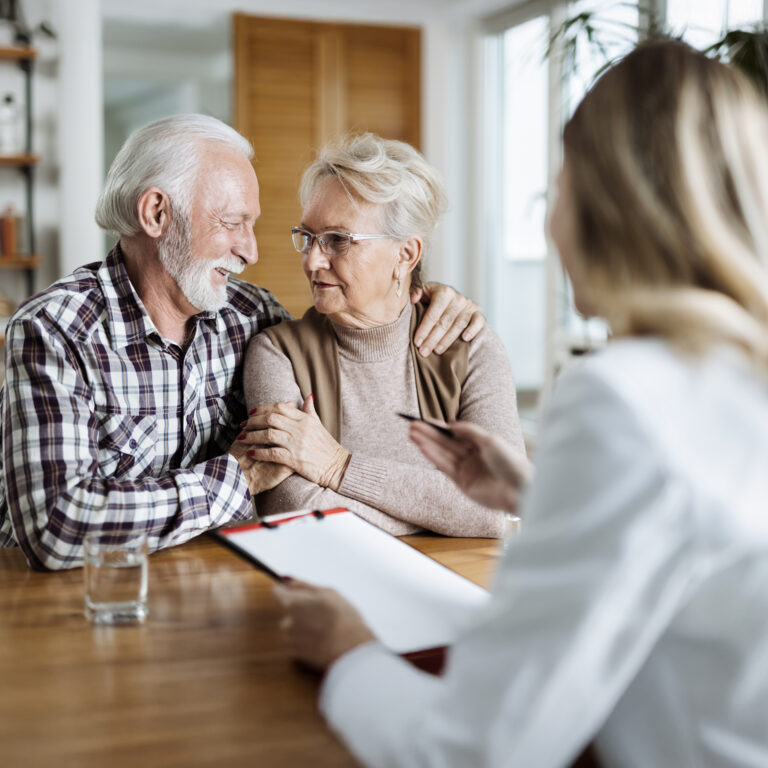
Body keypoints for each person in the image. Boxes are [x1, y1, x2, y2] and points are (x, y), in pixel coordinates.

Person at [273, 41, 768, 767]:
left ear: (611, 207)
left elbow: (477, 751)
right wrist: (532, 495)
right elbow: (698, 545)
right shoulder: (735, 373)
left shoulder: (622, 398)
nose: (548, 220)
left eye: (558, 188)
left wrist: (348, 654)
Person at [0, 114, 484, 571]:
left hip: (224, 594)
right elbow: (55, 526)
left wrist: (424, 299)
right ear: (156, 213)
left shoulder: (252, 316)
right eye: (232, 223)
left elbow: (354, 332)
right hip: (76, 608)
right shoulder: (56, 329)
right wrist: (237, 479)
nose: (250, 251)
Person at [239, 133, 525, 536]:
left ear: (405, 255)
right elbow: (291, 508)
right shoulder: (277, 353)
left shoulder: (471, 346)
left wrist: (338, 467)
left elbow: (501, 504)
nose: (312, 260)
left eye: (338, 240)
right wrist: (445, 514)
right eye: (308, 237)